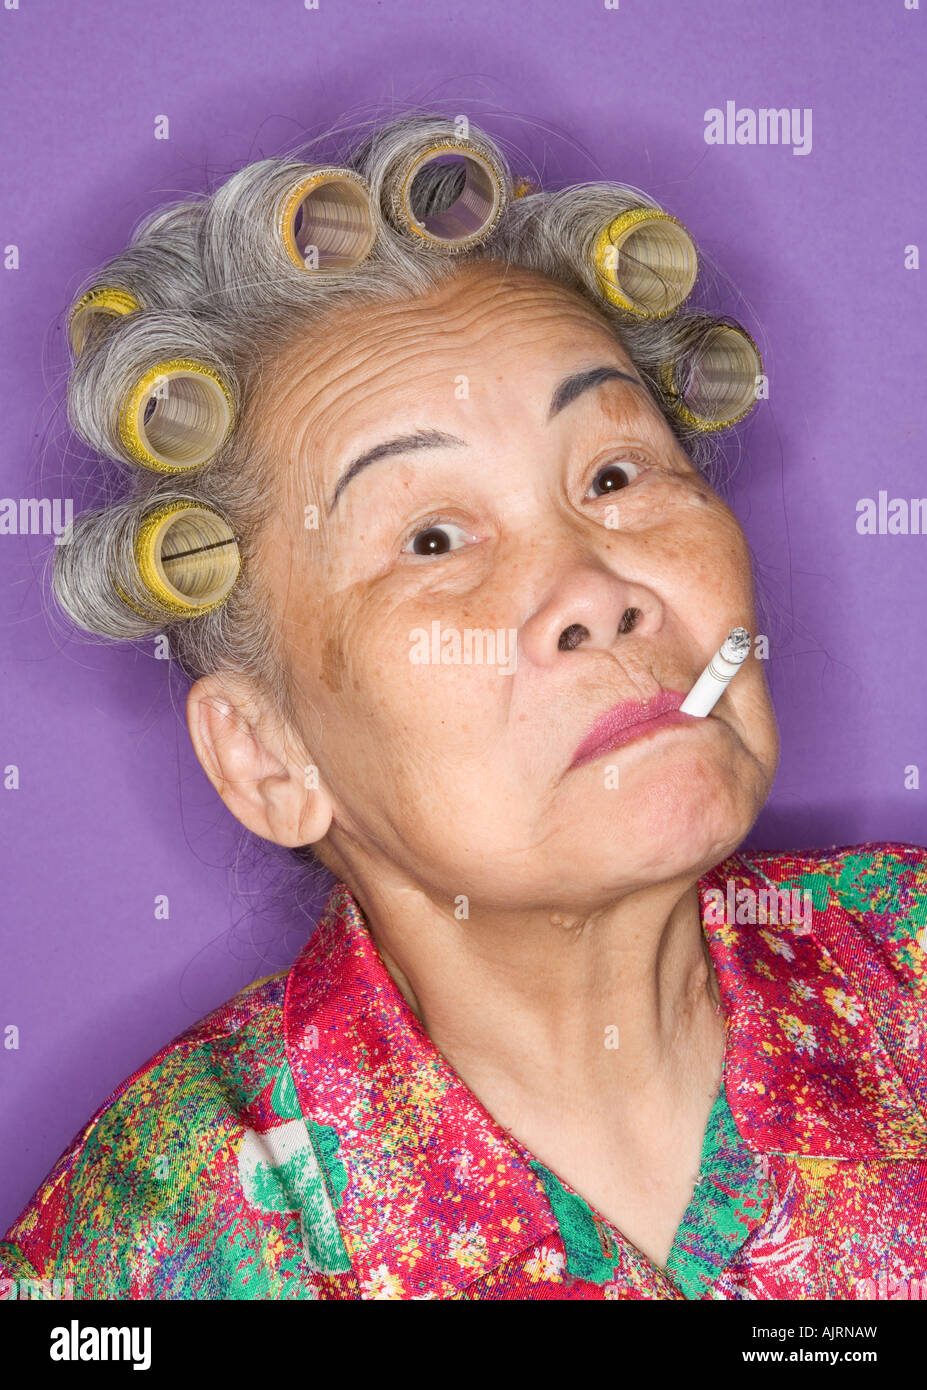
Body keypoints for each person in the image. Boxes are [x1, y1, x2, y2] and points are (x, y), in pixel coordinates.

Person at [2, 111, 925, 1301]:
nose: (594, 593)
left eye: (614, 475)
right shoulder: (155, 1245)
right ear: (267, 755)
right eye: (433, 538)